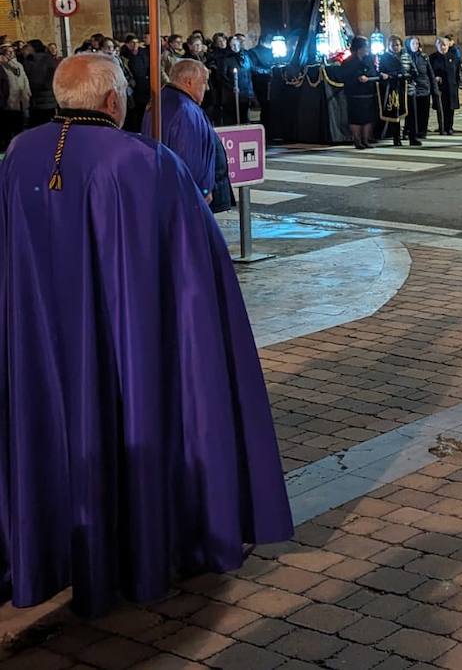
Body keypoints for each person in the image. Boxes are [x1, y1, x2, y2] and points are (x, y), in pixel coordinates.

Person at [0, 53, 292, 616]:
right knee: (127, 416)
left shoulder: (19, 153)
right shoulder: (143, 161)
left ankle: (48, 550)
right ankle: (142, 545)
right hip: (124, 338)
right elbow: (193, 269)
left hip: (43, 341)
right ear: (112, 101)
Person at [146, 58, 218, 204]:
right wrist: (199, 191)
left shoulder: (160, 100)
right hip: (186, 197)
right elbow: (189, 157)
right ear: (188, 82)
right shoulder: (184, 110)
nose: (207, 87)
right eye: (204, 81)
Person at [336, 35, 381, 149]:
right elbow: (342, 76)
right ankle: (357, 140)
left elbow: (373, 72)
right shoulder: (348, 62)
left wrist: (370, 77)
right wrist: (357, 78)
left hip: (368, 92)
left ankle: (366, 140)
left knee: (368, 117)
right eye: (366, 47)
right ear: (359, 48)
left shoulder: (369, 59)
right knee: (356, 118)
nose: (367, 49)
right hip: (355, 94)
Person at [377, 36, 412, 147]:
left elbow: (411, 71)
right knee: (394, 114)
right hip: (391, 89)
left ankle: (410, 135)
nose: (396, 47)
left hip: (404, 87)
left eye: (397, 45)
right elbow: (381, 71)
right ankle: (396, 138)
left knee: (407, 113)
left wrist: (405, 76)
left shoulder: (405, 56)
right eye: (393, 45)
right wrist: (390, 75)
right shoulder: (384, 57)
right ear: (389, 46)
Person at [404, 37, 435, 146]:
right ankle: (410, 131)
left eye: (417, 43)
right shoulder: (405, 57)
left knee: (424, 111)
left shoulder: (424, 57)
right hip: (412, 88)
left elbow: (430, 73)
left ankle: (422, 131)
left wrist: (433, 88)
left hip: (424, 87)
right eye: (413, 43)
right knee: (412, 112)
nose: (415, 45)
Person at [0, 45, 30, 151]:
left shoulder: (18, 65)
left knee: (19, 122)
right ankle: (9, 145)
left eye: (12, 51)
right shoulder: (3, 65)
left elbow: (24, 78)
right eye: (8, 52)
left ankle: (19, 143)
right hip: (10, 98)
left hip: (20, 97)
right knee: (9, 123)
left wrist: (27, 92)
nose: (11, 53)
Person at [22, 39, 57, 127]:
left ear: (33, 48)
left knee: (37, 124)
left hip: (37, 98)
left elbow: (31, 77)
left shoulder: (31, 60)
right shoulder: (49, 58)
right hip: (50, 97)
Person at [121, 34, 152, 133]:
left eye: (136, 43)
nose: (135, 45)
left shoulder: (144, 53)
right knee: (135, 111)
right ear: (127, 44)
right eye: (132, 43)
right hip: (133, 87)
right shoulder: (124, 56)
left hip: (145, 84)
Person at [430, 37, 460, 136]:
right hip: (440, 88)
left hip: (451, 87)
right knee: (441, 108)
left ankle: (450, 127)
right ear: (437, 46)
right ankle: (442, 127)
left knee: (450, 108)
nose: (443, 47)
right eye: (441, 45)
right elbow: (430, 72)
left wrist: (456, 85)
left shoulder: (453, 57)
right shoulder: (432, 58)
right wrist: (435, 78)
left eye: (445, 45)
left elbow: (457, 72)